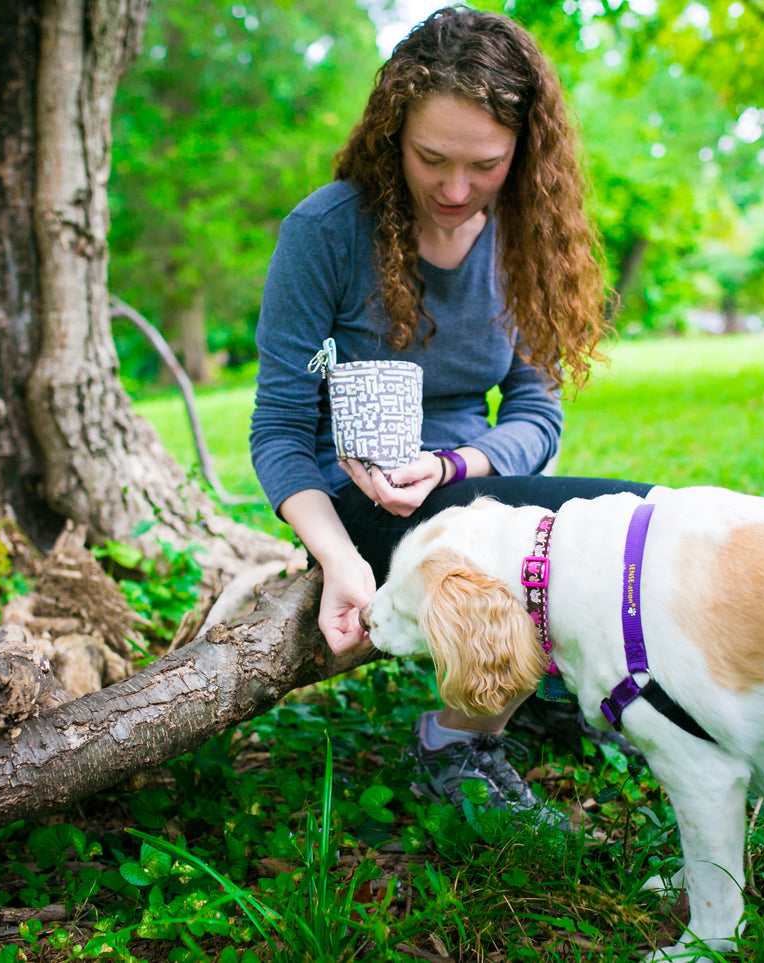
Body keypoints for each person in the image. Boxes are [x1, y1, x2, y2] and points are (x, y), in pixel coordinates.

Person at [250, 6, 651, 824]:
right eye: (431, 158)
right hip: (359, 500)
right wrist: (336, 559)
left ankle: (541, 689)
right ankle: (453, 743)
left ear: (524, 154)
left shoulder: (526, 233)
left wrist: (456, 465)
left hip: (471, 486)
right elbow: (279, 432)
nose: (456, 189)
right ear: (392, 134)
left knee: (638, 514)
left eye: (485, 165)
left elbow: (537, 411)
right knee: (549, 528)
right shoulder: (325, 230)